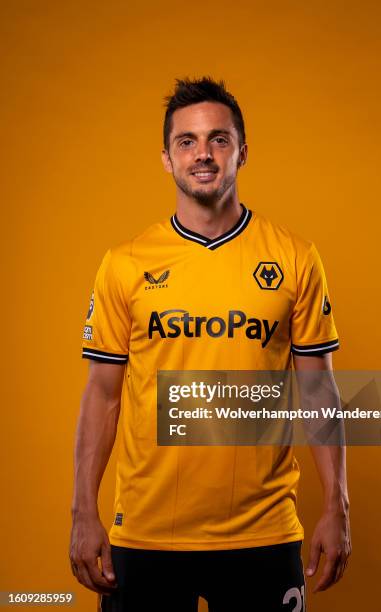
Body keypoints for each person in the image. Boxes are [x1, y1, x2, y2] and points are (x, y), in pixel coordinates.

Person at [70, 76, 351, 611]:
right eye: (187, 141)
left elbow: (319, 387)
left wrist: (337, 504)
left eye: (218, 139)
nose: (203, 154)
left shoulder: (295, 256)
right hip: (146, 537)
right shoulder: (125, 264)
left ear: (242, 151)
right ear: (166, 157)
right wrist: (83, 511)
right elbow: (102, 395)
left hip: (263, 535)